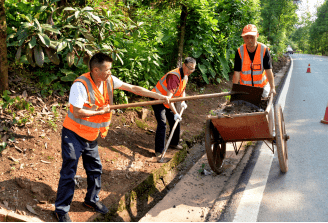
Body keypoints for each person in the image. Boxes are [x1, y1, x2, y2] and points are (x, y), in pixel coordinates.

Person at [53, 52, 169, 222]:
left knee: (95, 169)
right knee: (69, 170)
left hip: (91, 135)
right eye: (107, 70)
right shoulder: (80, 85)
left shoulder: (109, 80)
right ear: (95, 70)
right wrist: (99, 111)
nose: (110, 73)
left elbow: (133, 88)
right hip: (73, 134)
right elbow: (77, 112)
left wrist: (159, 96)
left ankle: (91, 200)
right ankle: (61, 210)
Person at [151, 57, 196, 162]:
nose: (190, 71)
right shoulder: (174, 77)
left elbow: (182, 89)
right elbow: (169, 99)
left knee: (175, 120)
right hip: (157, 99)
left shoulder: (185, 76)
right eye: (189, 68)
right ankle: (159, 151)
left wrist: (183, 101)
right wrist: (176, 112)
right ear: (184, 65)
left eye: (193, 69)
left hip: (166, 100)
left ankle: (174, 143)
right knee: (162, 123)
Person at [233, 24, 276, 98]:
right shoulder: (240, 51)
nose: (249, 40)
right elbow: (236, 72)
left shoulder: (264, 50)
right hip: (246, 89)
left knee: (265, 105)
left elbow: (268, 70)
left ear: (257, 35)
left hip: (262, 88)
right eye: (246, 37)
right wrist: (235, 89)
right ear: (243, 38)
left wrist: (272, 88)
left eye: (252, 37)